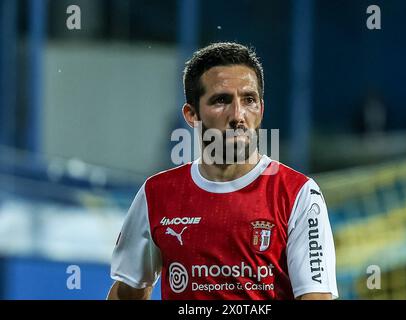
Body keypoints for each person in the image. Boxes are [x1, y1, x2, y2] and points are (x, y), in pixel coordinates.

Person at [107, 42, 338, 300]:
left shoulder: (299, 194)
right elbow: (127, 292)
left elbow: (316, 297)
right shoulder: (156, 194)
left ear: (261, 110)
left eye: (249, 100)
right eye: (221, 100)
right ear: (191, 114)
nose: (238, 114)